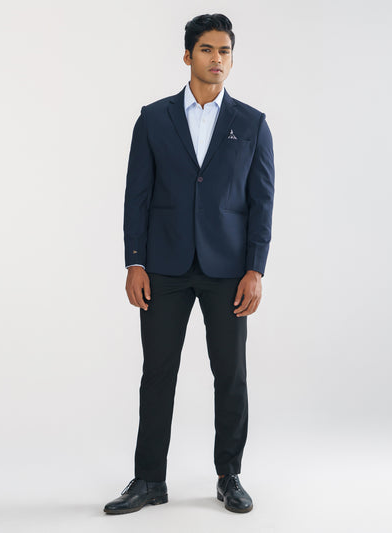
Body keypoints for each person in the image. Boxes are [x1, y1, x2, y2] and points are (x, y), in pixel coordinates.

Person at [103, 13, 275, 515]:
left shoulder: (252, 123)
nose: (217, 59)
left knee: (231, 375)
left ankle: (229, 475)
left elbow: (262, 202)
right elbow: (136, 195)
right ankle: (148, 480)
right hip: (164, 267)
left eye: (224, 51)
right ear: (187, 55)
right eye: (206, 49)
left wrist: (255, 269)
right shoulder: (154, 119)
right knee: (157, 373)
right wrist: (135, 262)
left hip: (229, 271)